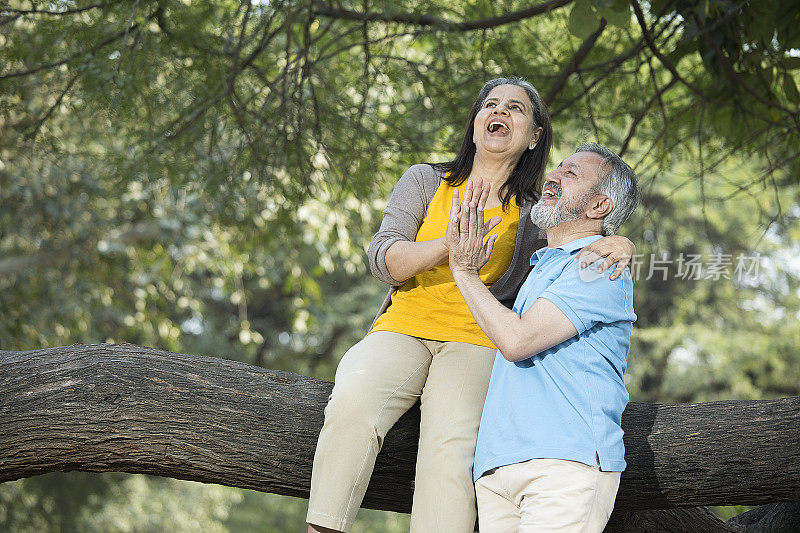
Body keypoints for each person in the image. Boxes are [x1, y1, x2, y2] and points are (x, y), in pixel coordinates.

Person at [306, 78, 636, 533]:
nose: (500, 111)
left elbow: (579, 233)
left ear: (534, 135)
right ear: (477, 120)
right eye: (491, 104)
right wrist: (453, 243)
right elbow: (384, 258)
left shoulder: (537, 209)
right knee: (353, 399)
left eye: (516, 108)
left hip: (475, 342)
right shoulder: (426, 180)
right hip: (403, 326)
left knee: (451, 448)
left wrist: (621, 240)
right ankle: (324, 526)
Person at [447, 142, 639, 532]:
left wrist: (465, 273)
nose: (552, 175)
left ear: (599, 206)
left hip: (562, 465)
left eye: (572, 174)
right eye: (558, 167)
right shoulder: (541, 265)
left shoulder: (598, 266)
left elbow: (517, 341)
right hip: (499, 468)